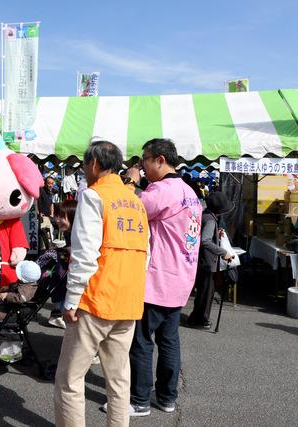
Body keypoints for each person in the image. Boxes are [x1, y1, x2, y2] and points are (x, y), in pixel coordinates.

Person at [54, 141, 149, 427]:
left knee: (70, 379)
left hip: (95, 299)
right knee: (119, 380)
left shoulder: (94, 196)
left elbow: (84, 253)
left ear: (93, 164)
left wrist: (71, 299)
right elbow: (146, 252)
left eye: (84, 165)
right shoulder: (136, 201)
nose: (84, 171)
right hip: (129, 300)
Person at [124, 138, 203, 416]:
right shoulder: (189, 192)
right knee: (169, 340)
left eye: (145, 159)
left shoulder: (162, 190)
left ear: (159, 159)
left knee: (143, 341)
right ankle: (168, 397)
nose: (142, 166)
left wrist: (131, 182)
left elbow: (127, 208)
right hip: (182, 278)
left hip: (158, 279)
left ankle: (139, 400)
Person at [188, 192, 234, 329]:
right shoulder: (211, 219)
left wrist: (216, 234)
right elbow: (205, 241)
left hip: (202, 260)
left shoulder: (206, 215)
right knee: (206, 292)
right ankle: (199, 319)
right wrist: (223, 252)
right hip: (206, 262)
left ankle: (196, 317)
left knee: (204, 291)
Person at [39, 199, 78, 329]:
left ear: (73, 217)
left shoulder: (79, 235)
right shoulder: (69, 232)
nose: (57, 219)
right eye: (57, 216)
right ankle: (56, 314)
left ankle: (56, 314)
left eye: (62, 217)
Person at [38, 176, 55, 251]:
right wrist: (38, 212)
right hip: (42, 216)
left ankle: (48, 249)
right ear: (45, 183)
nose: (50, 185)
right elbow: (37, 202)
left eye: (52, 183)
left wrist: (52, 213)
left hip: (48, 216)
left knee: (47, 234)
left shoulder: (50, 192)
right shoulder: (41, 190)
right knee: (43, 232)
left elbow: (51, 204)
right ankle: (44, 250)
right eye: (49, 183)